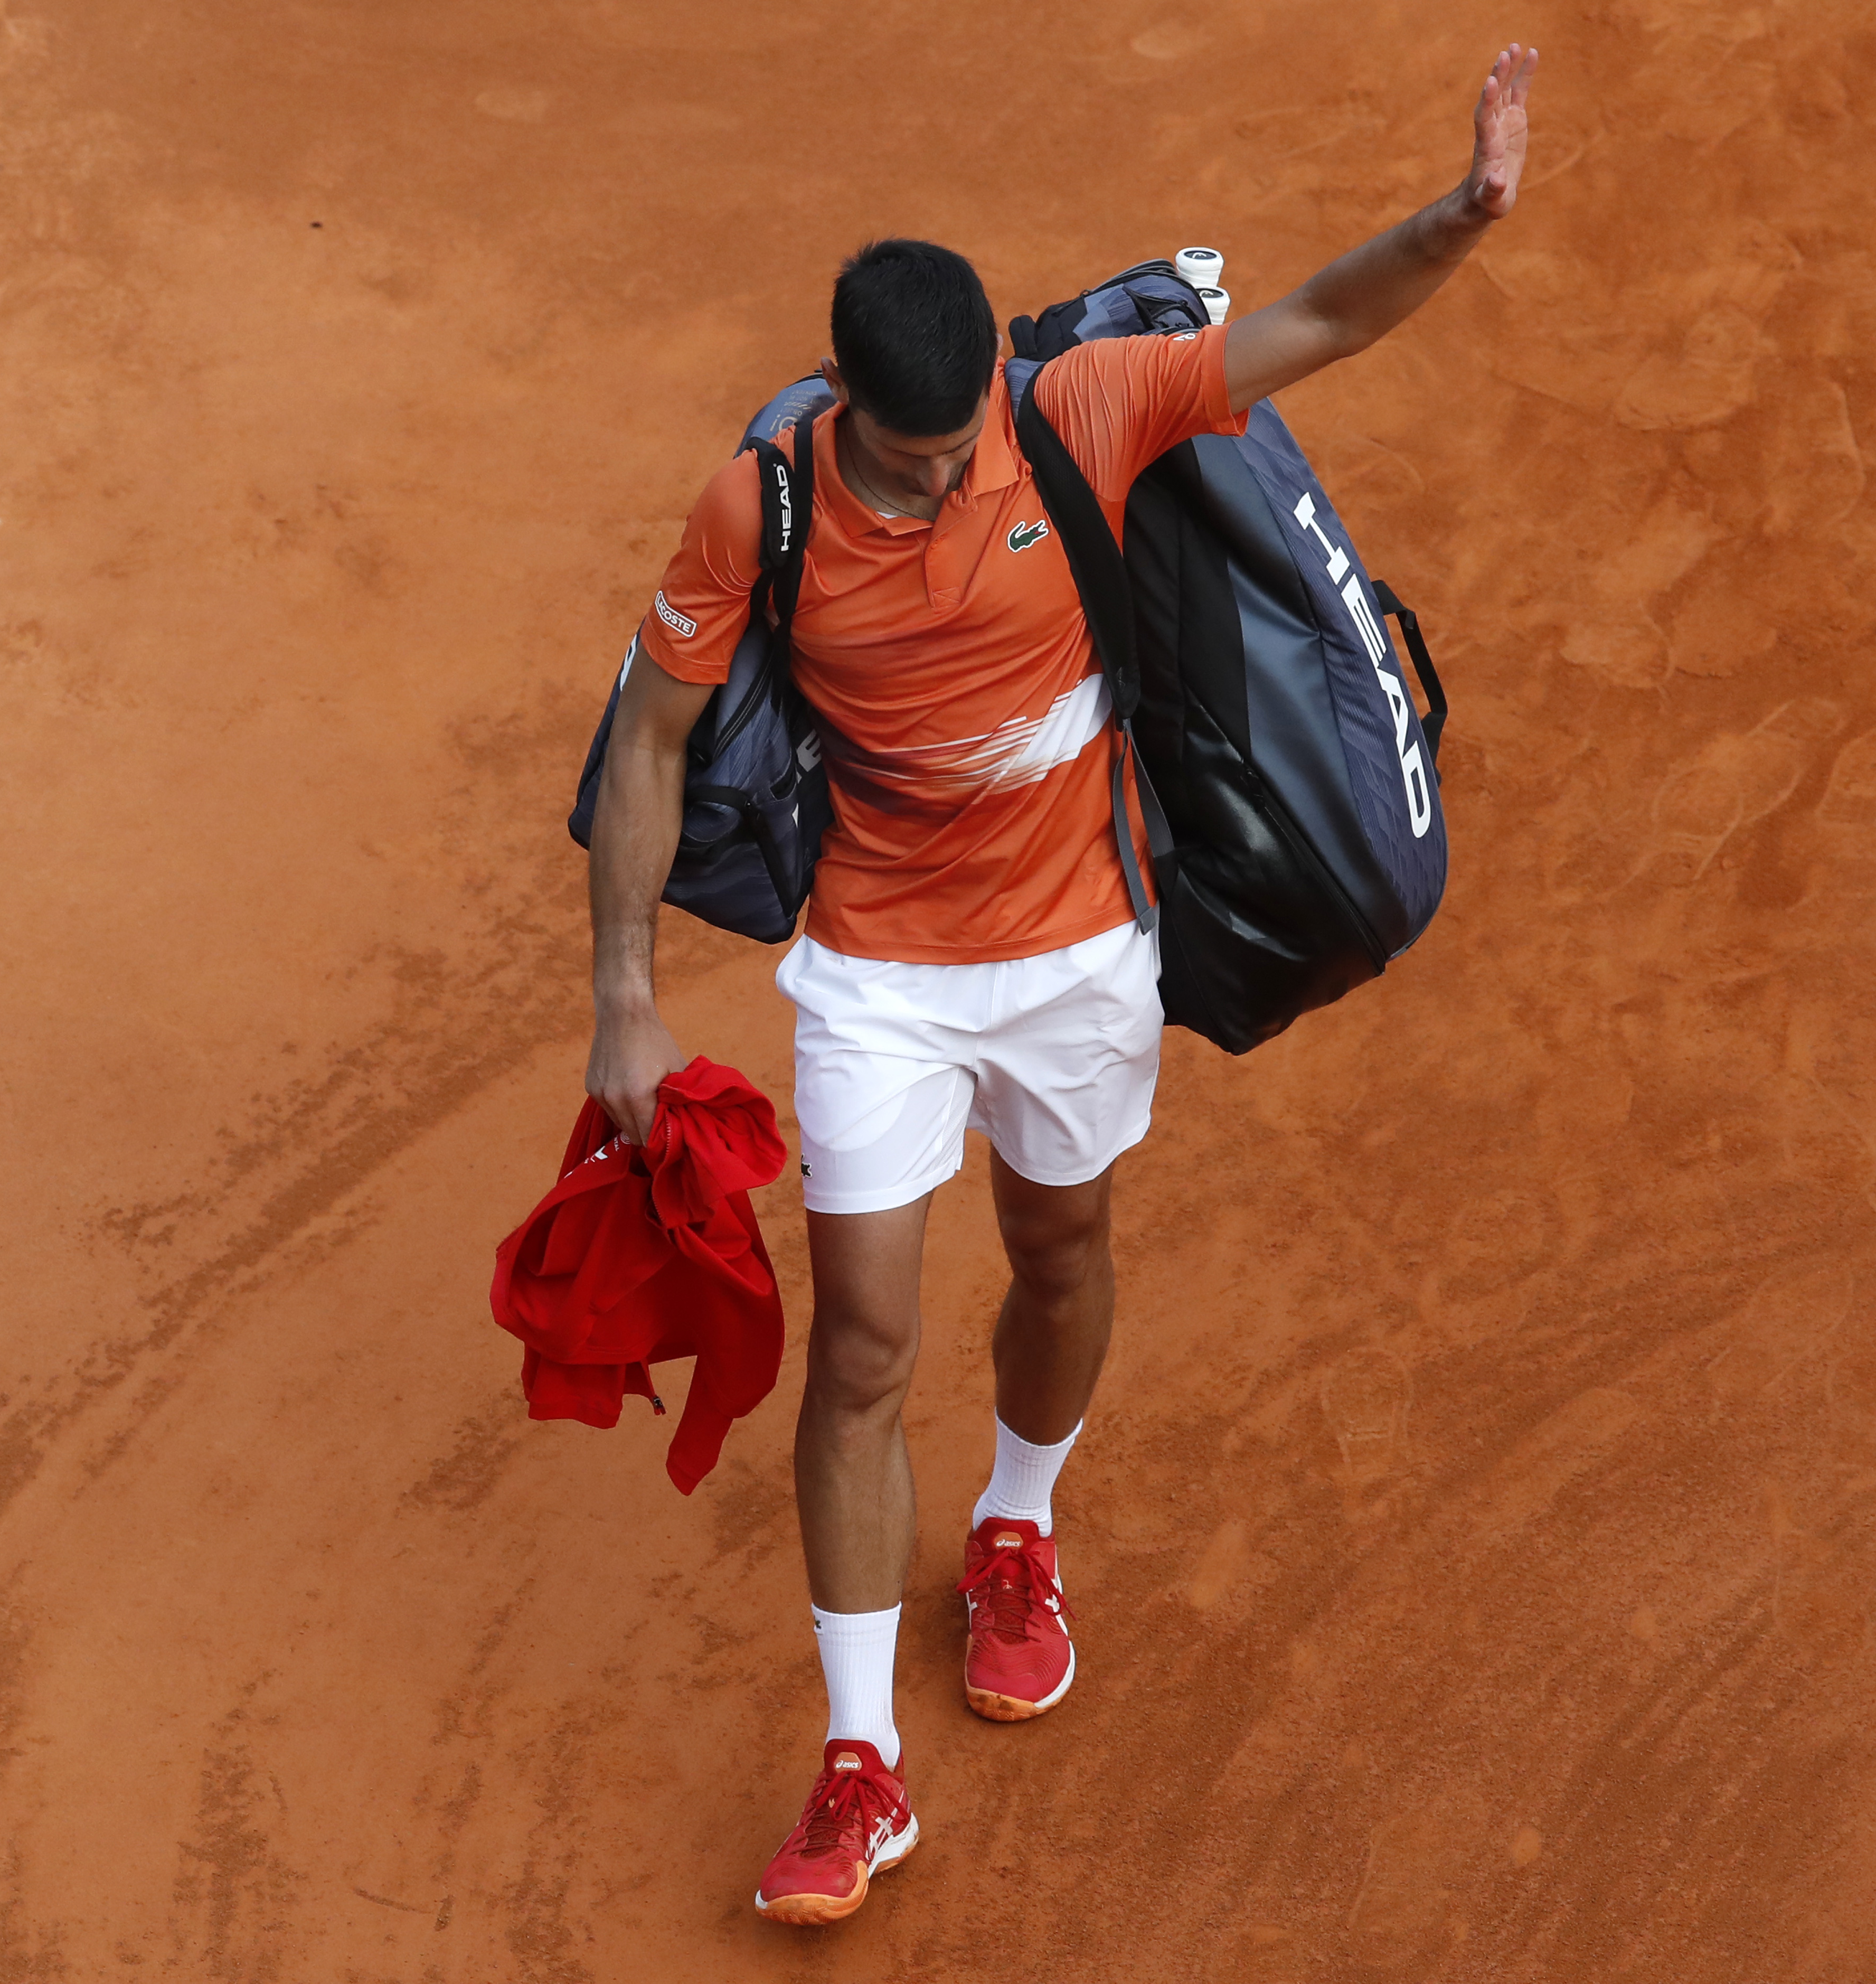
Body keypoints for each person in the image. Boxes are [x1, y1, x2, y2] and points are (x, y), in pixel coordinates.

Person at [583, 42, 1541, 1926]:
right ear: (848, 398)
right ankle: (862, 1764)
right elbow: (646, 744)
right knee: (857, 1346)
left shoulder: (1078, 409)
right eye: (916, 455)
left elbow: (1323, 320)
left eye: (968, 451)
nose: (949, 481)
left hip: (1083, 956)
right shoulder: (755, 512)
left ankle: (1017, 1525)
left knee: (1063, 1254)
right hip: (878, 973)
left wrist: (1467, 211)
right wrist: (625, 991)